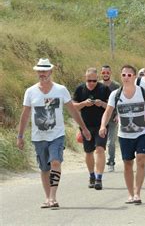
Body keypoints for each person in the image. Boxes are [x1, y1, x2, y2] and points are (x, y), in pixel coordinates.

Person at [17, 58, 91, 208]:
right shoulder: (30, 92)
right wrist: (20, 136)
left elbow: (72, 110)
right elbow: (25, 114)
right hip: (39, 136)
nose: (42, 73)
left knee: (55, 162)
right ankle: (47, 197)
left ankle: (53, 196)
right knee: (44, 168)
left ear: (51, 71)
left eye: (44, 70)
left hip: (57, 135)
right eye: (39, 71)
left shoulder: (60, 90)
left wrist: (84, 128)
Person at [99, 65, 145, 205]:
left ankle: (137, 193)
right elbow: (108, 112)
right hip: (125, 135)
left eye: (129, 75)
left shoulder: (143, 92)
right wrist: (102, 126)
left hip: (142, 133)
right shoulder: (115, 94)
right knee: (128, 164)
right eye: (124, 75)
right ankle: (130, 194)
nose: (126, 78)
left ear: (135, 77)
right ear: (121, 76)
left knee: (141, 160)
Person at [73, 68, 111, 190]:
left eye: (94, 81)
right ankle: (92, 176)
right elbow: (73, 107)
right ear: (85, 78)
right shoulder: (80, 89)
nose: (91, 83)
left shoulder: (104, 89)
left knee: (100, 150)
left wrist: (102, 104)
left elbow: (112, 107)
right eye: (89, 80)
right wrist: (84, 103)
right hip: (86, 126)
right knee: (88, 151)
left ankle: (99, 178)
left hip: (101, 125)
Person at [100, 65, 121, 172]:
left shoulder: (116, 86)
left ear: (110, 73)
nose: (105, 74)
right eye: (103, 73)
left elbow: (120, 101)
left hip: (113, 118)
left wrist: (118, 114)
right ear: (101, 73)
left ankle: (111, 161)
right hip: (101, 118)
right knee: (100, 143)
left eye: (107, 72)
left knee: (111, 142)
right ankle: (100, 162)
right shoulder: (98, 85)